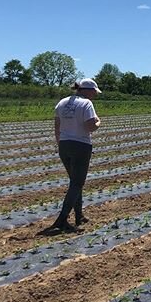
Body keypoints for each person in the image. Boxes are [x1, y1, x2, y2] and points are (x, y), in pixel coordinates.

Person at [49, 78, 102, 232]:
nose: (95, 95)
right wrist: (99, 122)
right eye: (94, 92)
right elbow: (90, 126)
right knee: (77, 183)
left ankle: (79, 216)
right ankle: (61, 220)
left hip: (64, 145)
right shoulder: (86, 104)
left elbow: (57, 127)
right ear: (86, 90)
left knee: (75, 181)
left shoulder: (62, 102)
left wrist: (61, 145)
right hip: (81, 145)